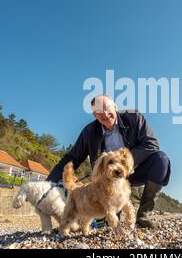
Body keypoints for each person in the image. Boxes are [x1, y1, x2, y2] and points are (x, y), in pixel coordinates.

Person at [46, 94, 171, 228]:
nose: (104, 114)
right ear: (95, 115)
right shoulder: (89, 132)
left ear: (115, 107)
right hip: (107, 180)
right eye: (99, 111)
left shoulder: (134, 117)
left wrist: (125, 161)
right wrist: (47, 185)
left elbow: (151, 143)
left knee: (161, 160)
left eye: (107, 107)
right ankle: (103, 218)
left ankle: (142, 216)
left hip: (134, 171)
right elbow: (72, 158)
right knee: (110, 222)